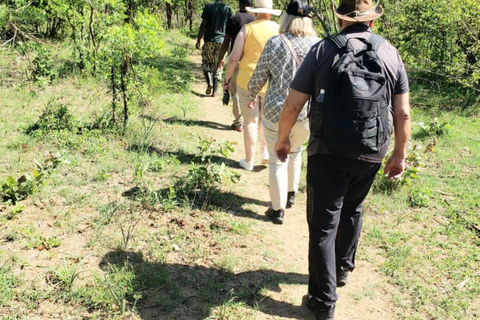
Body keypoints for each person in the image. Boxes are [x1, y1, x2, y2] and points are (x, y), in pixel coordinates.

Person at [274, 0, 411, 319]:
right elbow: (402, 112)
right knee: (353, 207)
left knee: (323, 223)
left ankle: (323, 299)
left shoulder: (322, 51)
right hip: (372, 149)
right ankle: (343, 268)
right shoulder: (390, 53)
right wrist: (399, 155)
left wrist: (283, 139)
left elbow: (293, 105)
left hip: (328, 150)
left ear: (340, 20)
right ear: (372, 22)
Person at [247, 0, 319, 224]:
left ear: (285, 18)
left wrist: (251, 94)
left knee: (278, 158)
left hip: (275, 110)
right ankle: (291, 195)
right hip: (306, 112)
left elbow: (259, 74)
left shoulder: (276, 42)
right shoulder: (318, 46)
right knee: (296, 152)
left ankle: (277, 210)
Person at [223, 0, 281, 171]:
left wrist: (226, 80)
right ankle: (265, 154)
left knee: (250, 120)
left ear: (255, 12)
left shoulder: (248, 29)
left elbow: (234, 58)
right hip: (271, 80)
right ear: (271, 12)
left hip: (247, 79)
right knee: (265, 119)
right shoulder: (279, 30)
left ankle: (248, 160)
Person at [217, 0, 255, 132]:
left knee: (236, 91)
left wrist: (221, 58)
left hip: (237, 60)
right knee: (251, 91)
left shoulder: (234, 18)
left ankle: (238, 123)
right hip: (253, 60)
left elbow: (226, 41)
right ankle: (251, 120)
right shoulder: (256, 19)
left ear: (240, 4)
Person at [196, 0, 233, 96]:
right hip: (222, 42)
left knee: (206, 62)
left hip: (209, 40)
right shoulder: (228, 9)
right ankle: (215, 92)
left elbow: (204, 23)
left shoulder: (209, 7)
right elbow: (230, 28)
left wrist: (199, 39)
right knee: (218, 65)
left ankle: (209, 83)